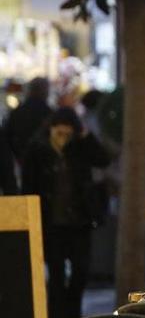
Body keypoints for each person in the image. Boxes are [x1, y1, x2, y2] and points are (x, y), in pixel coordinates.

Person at [21, 107, 110, 318]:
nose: (63, 137)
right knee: (57, 274)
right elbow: (28, 186)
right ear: (51, 129)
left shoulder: (80, 146)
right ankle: (57, 314)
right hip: (51, 222)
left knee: (80, 271)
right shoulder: (37, 150)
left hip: (79, 220)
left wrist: (86, 136)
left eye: (68, 133)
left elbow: (103, 159)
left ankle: (72, 311)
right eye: (59, 132)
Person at [5, 77, 52, 163]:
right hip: (42, 161)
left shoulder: (17, 112)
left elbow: (7, 136)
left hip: (20, 158)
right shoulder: (49, 113)